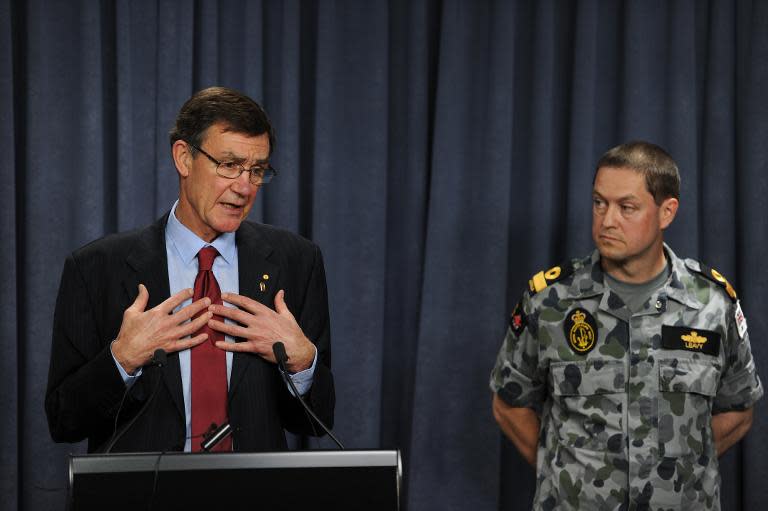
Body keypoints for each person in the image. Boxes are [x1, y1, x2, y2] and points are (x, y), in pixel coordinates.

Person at [46, 86, 334, 453]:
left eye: (257, 170)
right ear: (184, 158)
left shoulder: (297, 262)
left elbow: (317, 421)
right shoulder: (95, 269)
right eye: (229, 165)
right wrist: (121, 360)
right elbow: (62, 420)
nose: (244, 187)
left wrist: (303, 362)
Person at [490, 141, 762, 510]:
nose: (607, 220)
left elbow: (738, 407)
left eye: (626, 207)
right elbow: (509, 404)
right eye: (599, 203)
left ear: (666, 212)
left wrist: (680, 467)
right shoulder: (551, 300)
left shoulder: (712, 303)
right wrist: (562, 475)